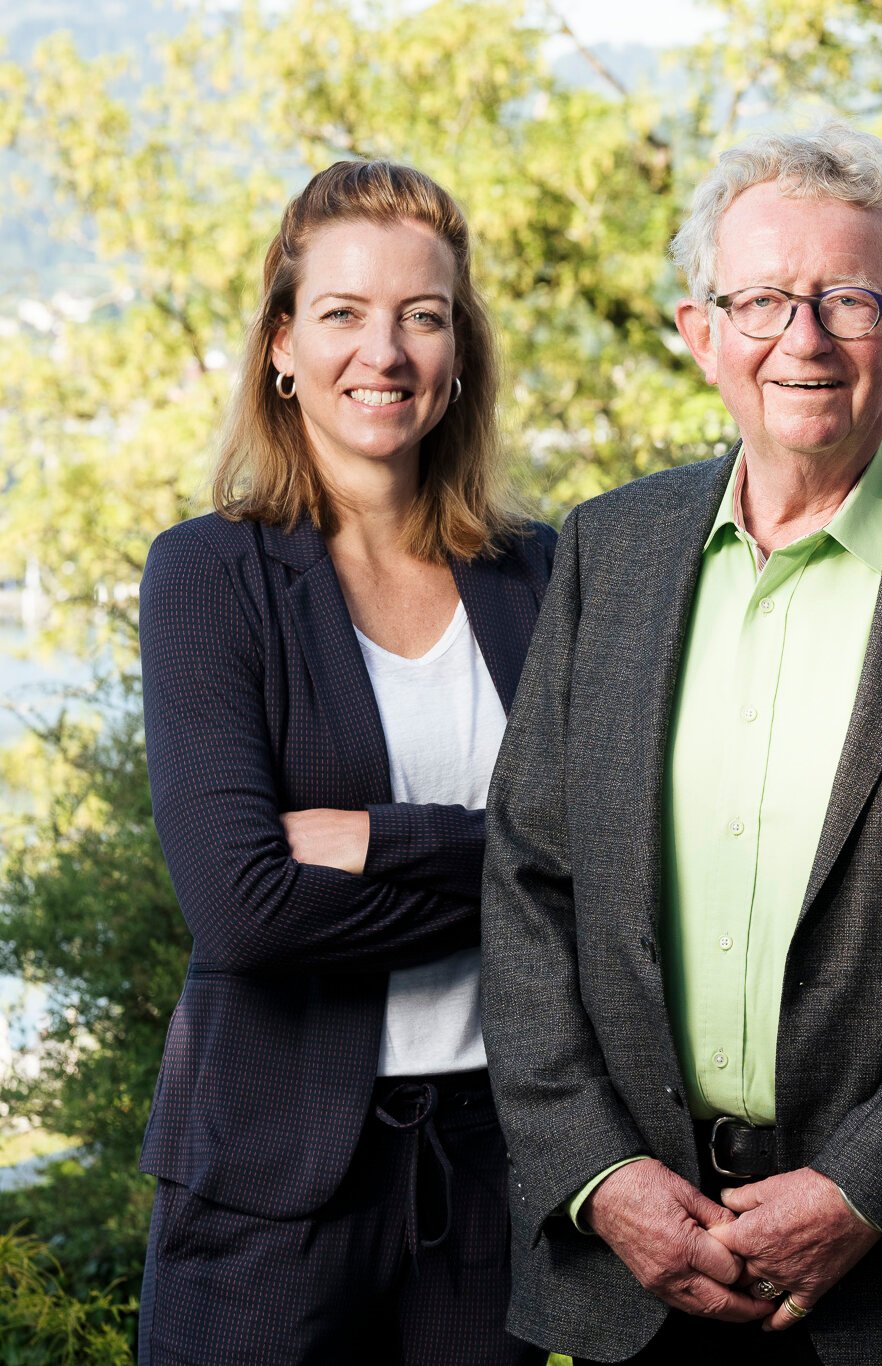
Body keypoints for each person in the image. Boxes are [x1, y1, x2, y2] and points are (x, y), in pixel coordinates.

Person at [481, 123, 882, 1366]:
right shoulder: (609, 553)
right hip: (649, 1271)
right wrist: (601, 1174)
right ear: (701, 332)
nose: (806, 338)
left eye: (848, 299)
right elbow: (526, 880)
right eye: (763, 300)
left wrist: (863, 1188)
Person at [137, 160, 552, 1366]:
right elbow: (245, 908)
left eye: (422, 315)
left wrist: (377, 838)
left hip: (492, 1177)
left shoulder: (541, 573)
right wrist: (516, 876)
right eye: (342, 313)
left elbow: (609, 864)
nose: (385, 351)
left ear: (459, 349)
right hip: (267, 1193)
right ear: (282, 344)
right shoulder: (207, 575)